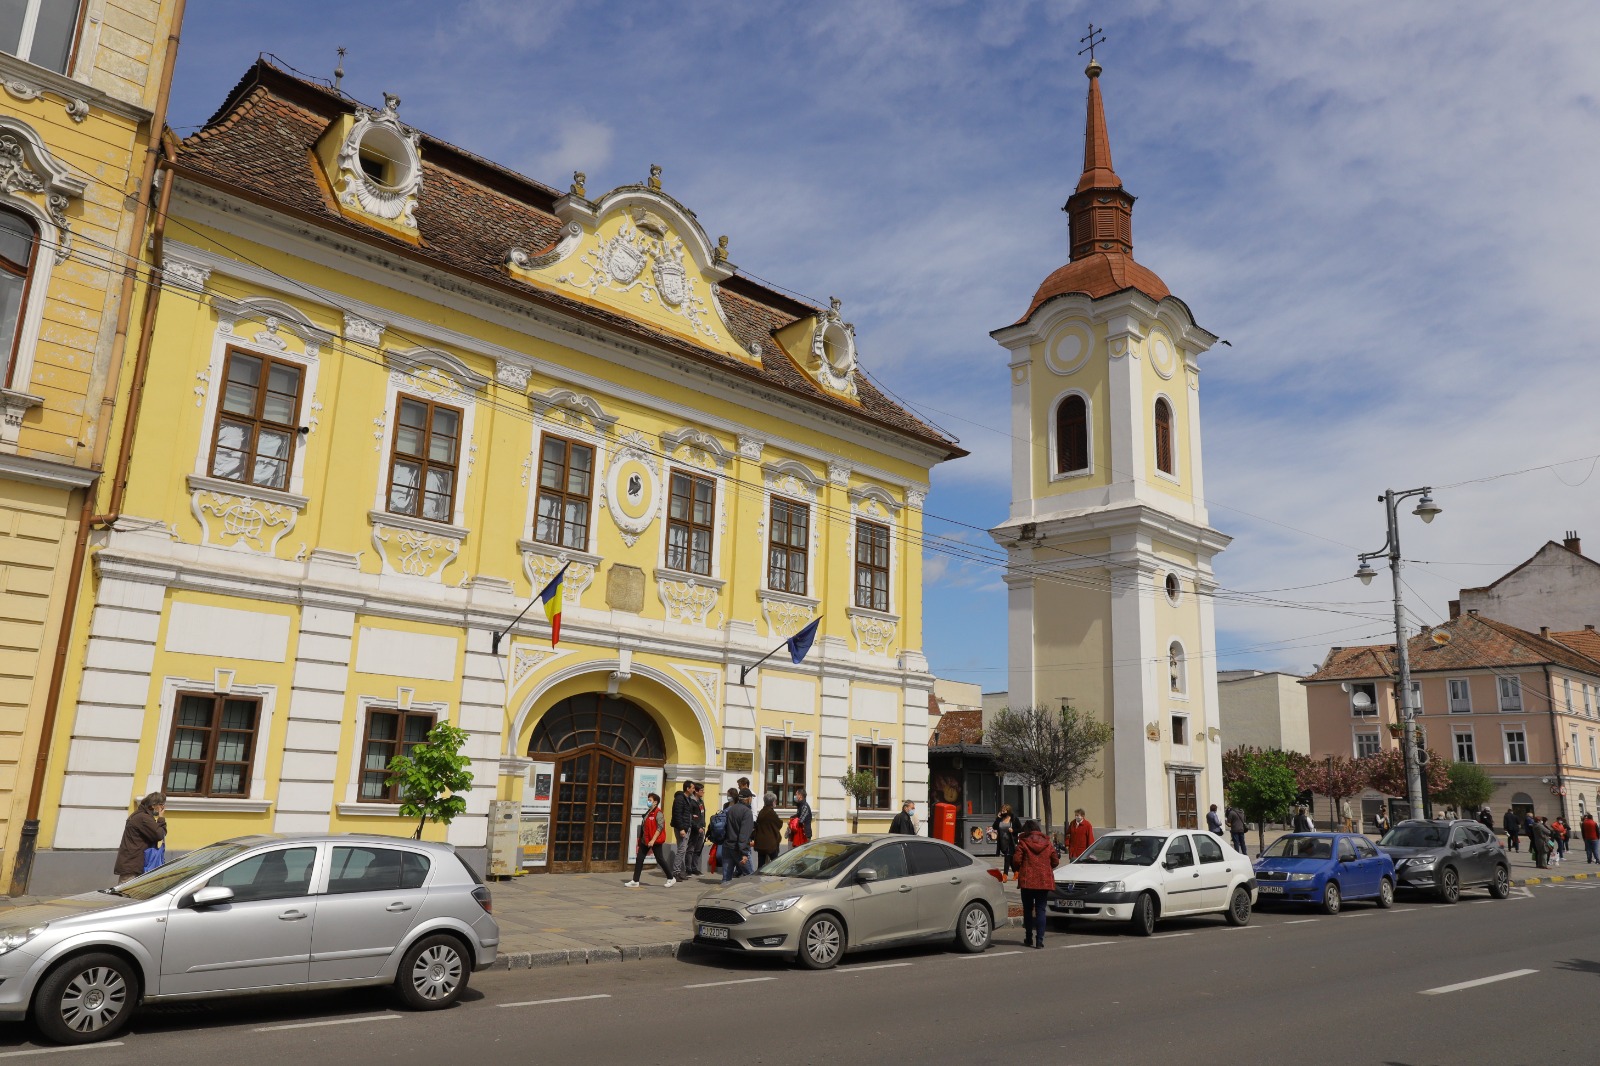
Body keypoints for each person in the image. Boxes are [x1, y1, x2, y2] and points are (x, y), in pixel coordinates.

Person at [1012, 819, 1059, 949]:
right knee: (1041, 910)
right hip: (1043, 881)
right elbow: (1055, 861)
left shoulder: (1023, 842)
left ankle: (1028, 937)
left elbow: (1016, 860)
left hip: (1027, 881)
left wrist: (1020, 867)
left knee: (1027, 910)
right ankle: (1039, 941)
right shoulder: (1047, 843)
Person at [113, 792, 166, 883]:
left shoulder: (139, 815)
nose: (163, 808)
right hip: (133, 866)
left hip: (133, 864)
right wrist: (161, 818)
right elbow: (159, 834)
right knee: (126, 895)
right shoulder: (143, 818)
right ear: (154, 805)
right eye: (161, 805)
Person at [625, 792, 673, 887]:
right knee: (639, 859)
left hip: (654, 841)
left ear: (655, 802)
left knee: (660, 859)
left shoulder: (658, 813)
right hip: (645, 840)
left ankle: (671, 877)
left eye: (650, 800)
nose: (648, 802)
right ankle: (635, 881)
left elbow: (660, 827)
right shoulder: (648, 812)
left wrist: (653, 840)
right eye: (648, 800)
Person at [720, 788, 754, 884]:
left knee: (726, 878)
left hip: (727, 846)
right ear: (748, 798)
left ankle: (723, 896)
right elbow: (744, 834)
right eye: (751, 798)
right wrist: (744, 853)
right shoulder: (747, 812)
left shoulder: (731, 809)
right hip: (738, 849)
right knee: (750, 876)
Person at [670, 780, 699, 881]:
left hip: (687, 827)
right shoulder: (679, 799)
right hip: (682, 828)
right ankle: (675, 872)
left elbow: (685, 813)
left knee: (682, 850)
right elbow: (677, 815)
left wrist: (691, 816)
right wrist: (681, 828)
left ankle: (679, 872)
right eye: (692, 788)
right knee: (681, 850)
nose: (694, 790)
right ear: (687, 788)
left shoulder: (687, 799)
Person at [753, 792, 783, 869]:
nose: (775, 802)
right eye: (775, 801)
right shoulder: (771, 813)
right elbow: (779, 824)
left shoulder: (762, 812)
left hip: (761, 842)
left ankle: (758, 879)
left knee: (761, 865)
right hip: (770, 843)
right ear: (773, 802)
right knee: (774, 864)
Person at [993, 804, 1021, 878]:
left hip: (1011, 841)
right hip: (1002, 842)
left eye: (1004, 810)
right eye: (1002, 810)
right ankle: (1016, 872)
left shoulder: (1014, 819)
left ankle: (1005, 875)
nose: (1003, 811)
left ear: (1008, 811)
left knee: (1007, 857)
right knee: (1010, 858)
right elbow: (994, 827)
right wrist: (997, 818)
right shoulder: (1000, 819)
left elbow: (1020, 828)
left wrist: (1013, 830)